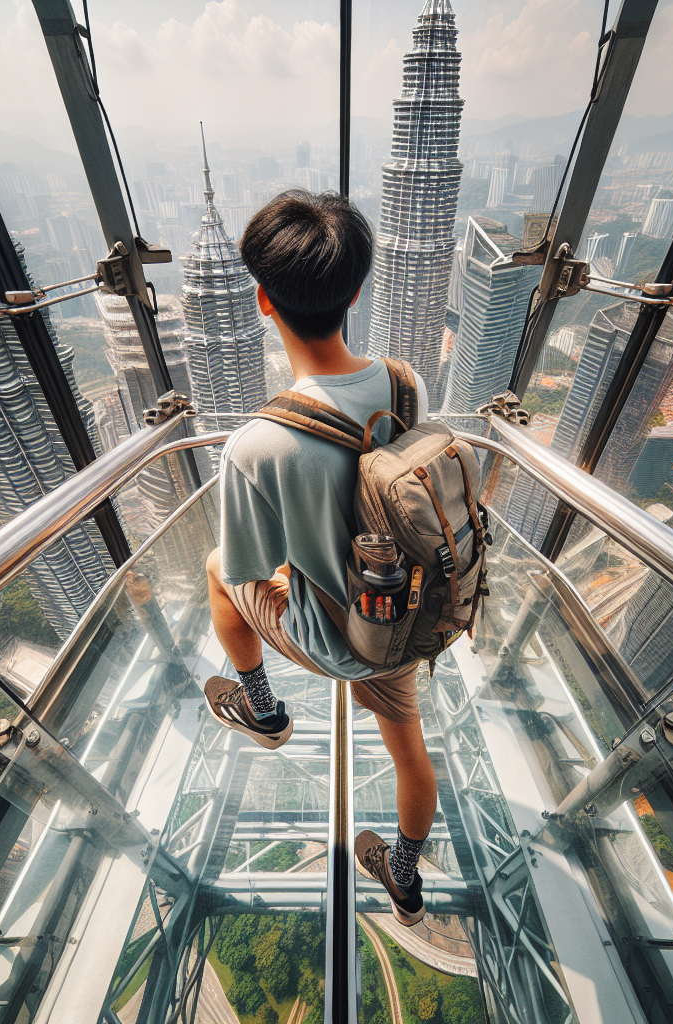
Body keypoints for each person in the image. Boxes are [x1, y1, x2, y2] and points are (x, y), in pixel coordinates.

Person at [203, 190, 435, 926]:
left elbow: (248, 567)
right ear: (355, 293)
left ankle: (262, 710)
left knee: (216, 568)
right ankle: (404, 880)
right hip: (403, 617)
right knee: (411, 756)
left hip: (335, 640)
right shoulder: (404, 383)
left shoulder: (256, 445)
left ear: (264, 301)